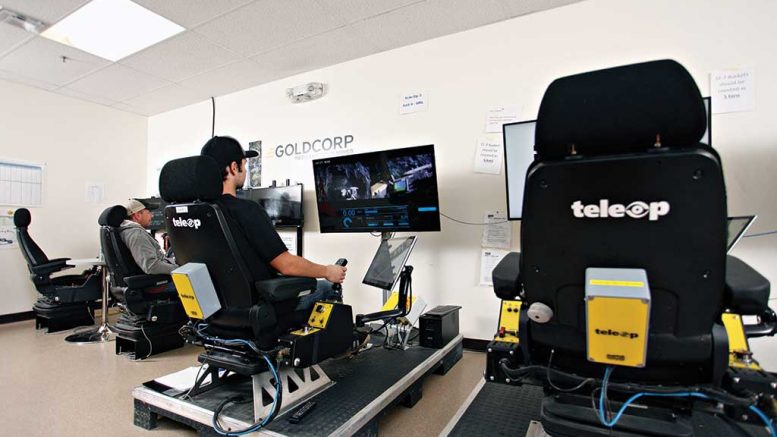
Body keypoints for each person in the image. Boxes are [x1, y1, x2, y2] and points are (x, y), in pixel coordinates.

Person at [200, 136, 346, 309]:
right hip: (262, 308)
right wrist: (328, 271)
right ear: (233, 167)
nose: (245, 171)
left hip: (217, 310)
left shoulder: (196, 213)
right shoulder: (247, 210)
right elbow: (287, 265)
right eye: (244, 165)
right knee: (328, 287)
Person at [120, 199, 179, 276]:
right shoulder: (137, 234)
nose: (152, 215)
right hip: (158, 280)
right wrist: (179, 269)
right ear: (137, 215)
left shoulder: (126, 231)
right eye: (148, 212)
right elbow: (151, 266)